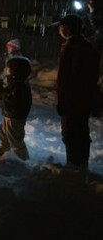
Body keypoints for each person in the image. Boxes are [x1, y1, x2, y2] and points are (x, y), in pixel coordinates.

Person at [56, 14, 100, 170]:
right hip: (84, 99)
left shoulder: (72, 48)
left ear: (67, 28)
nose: (59, 31)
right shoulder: (87, 46)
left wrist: (64, 99)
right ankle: (81, 163)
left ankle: (74, 164)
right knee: (81, 130)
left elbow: (68, 78)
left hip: (73, 99)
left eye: (61, 27)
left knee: (71, 132)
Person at [0, 56, 32, 161]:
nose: (6, 71)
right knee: (3, 136)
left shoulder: (20, 86)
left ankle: (23, 160)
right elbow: (7, 93)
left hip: (15, 118)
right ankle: (0, 154)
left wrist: (1, 91)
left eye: (8, 68)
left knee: (15, 140)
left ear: (15, 71)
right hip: (8, 115)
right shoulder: (15, 83)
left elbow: (13, 100)